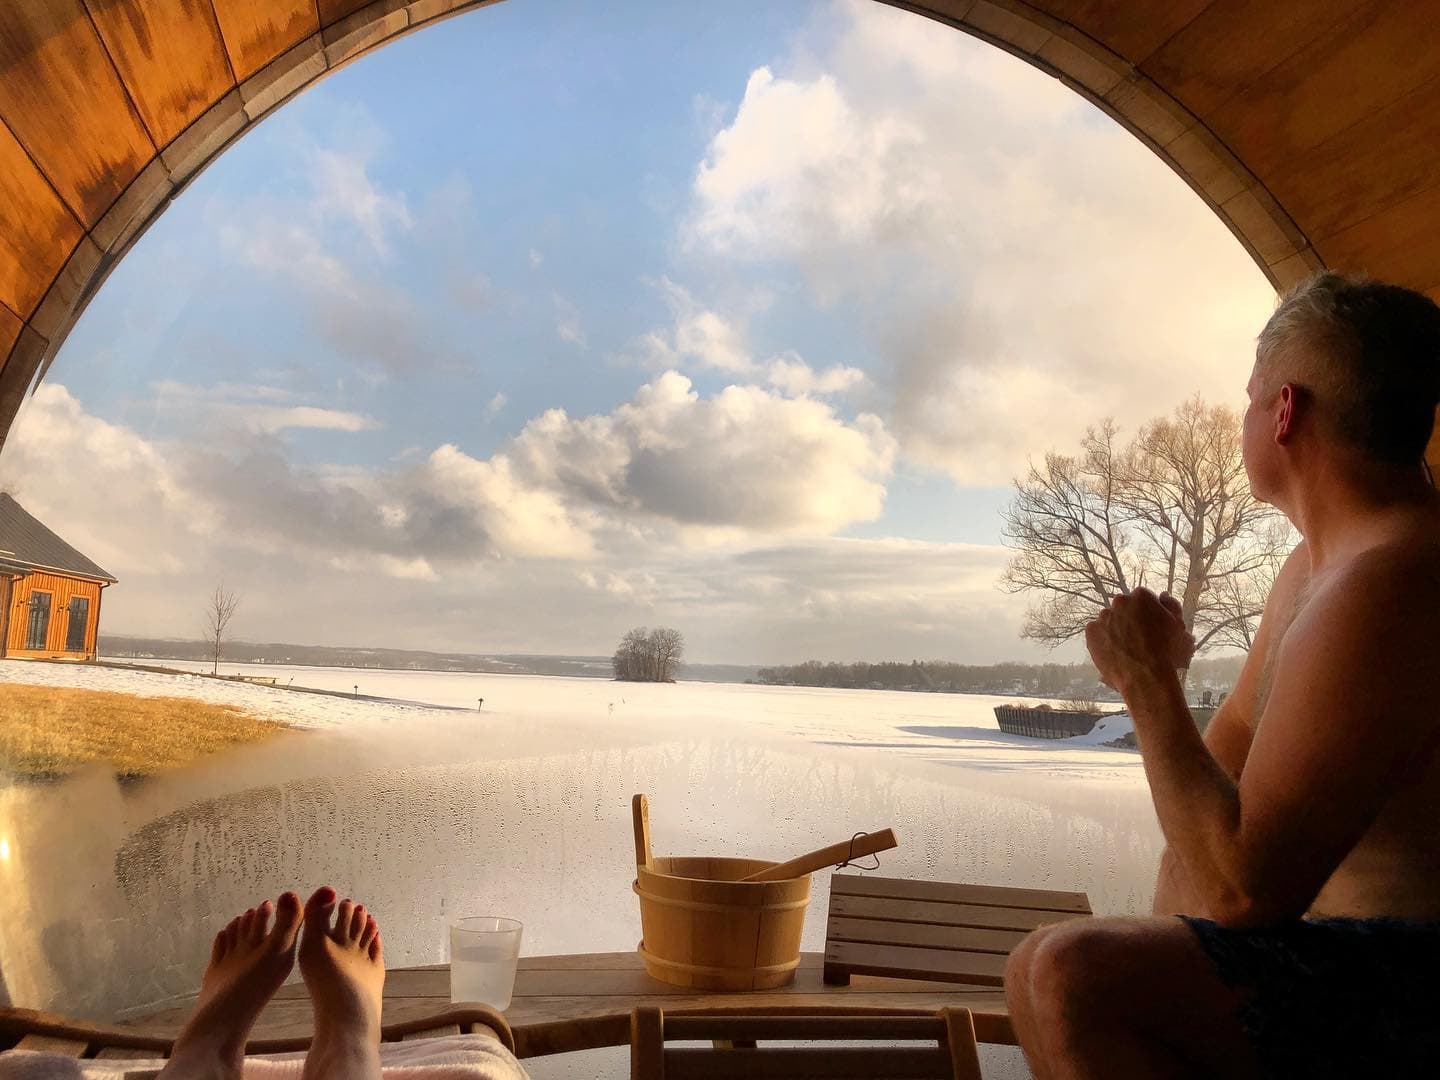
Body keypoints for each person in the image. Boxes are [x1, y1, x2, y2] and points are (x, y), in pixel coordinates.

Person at [1004, 273, 1440, 1078]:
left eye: (1248, 400)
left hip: (1419, 979)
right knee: (1053, 963)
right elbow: (1222, 771)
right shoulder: (1314, 570)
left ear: (1284, 411)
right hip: (1350, 963)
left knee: (1071, 975)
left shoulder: (1394, 580)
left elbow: (1245, 888)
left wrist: (1149, 683)